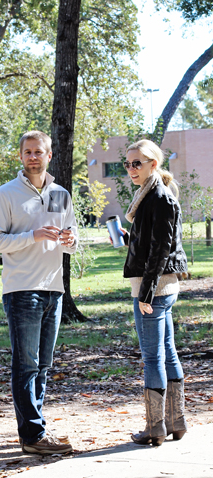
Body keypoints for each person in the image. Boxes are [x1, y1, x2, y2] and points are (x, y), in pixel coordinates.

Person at [0, 130, 77, 455]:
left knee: (43, 365)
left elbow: (73, 240)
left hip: (54, 289)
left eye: (39, 152)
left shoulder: (60, 194)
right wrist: (32, 235)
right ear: (20, 157)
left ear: (49, 155)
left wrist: (69, 242)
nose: (34, 157)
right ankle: (33, 436)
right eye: (28, 152)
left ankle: (35, 430)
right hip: (22, 289)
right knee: (26, 364)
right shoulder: (6, 194)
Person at [116, 140, 188, 446]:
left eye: (138, 163)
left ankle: (155, 426)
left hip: (154, 289)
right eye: (128, 164)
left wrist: (145, 294)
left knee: (153, 358)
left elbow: (160, 251)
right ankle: (176, 421)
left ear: (153, 164)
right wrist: (128, 237)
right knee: (167, 353)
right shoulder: (150, 194)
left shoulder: (158, 196)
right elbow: (154, 240)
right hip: (162, 287)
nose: (132, 169)